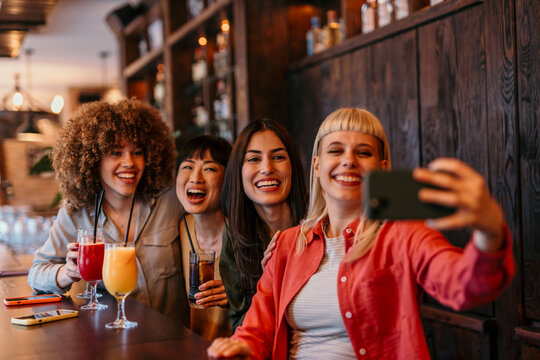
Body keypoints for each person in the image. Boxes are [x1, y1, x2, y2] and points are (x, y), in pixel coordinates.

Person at [208, 108, 515, 359]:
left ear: (381, 166)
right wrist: (241, 346)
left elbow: (464, 285)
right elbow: (257, 330)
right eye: (336, 150)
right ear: (316, 164)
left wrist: (488, 232)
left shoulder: (402, 235)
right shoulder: (288, 244)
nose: (348, 160)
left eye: (363, 152)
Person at [28, 99, 189, 326]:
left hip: (174, 339)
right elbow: (36, 273)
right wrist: (68, 272)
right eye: (115, 152)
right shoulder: (77, 212)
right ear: (92, 158)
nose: (129, 163)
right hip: (114, 341)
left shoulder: (172, 198)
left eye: (138, 152)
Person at [219, 119, 308, 332]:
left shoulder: (319, 222)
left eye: (278, 157)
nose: (267, 168)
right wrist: (268, 282)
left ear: (293, 166)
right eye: (254, 159)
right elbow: (239, 325)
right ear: (238, 171)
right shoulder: (235, 234)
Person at [176, 135, 232, 341]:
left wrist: (240, 294)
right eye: (187, 167)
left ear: (229, 179)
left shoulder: (245, 235)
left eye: (209, 169)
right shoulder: (178, 228)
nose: (195, 178)